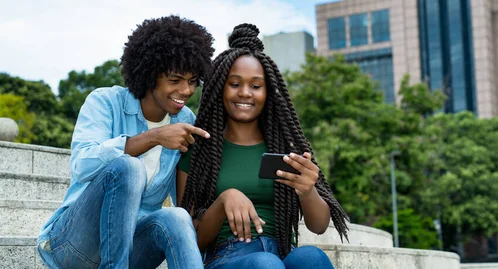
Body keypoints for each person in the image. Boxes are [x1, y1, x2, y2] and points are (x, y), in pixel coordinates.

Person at [37, 15, 214, 269]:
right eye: (174, 80)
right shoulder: (105, 102)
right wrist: (153, 137)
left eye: (192, 81)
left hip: (133, 247)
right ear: (150, 74)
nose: (186, 91)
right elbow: (81, 166)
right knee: (128, 168)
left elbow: (185, 199)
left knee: (177, 217)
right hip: (75, 245)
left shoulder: (187, 120)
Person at [177, 23, 349, 269]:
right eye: (235, 84)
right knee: (265, 264)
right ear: (219, 89)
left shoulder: (286, 149)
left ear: (268, 93)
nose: (245, 93)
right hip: (227, 256)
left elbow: (319, 226)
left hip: (282, 252)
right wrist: (224, 201)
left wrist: (308, 190)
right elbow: (191, 241)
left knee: (311, 257)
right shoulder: (198, 151)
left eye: (256, 86)